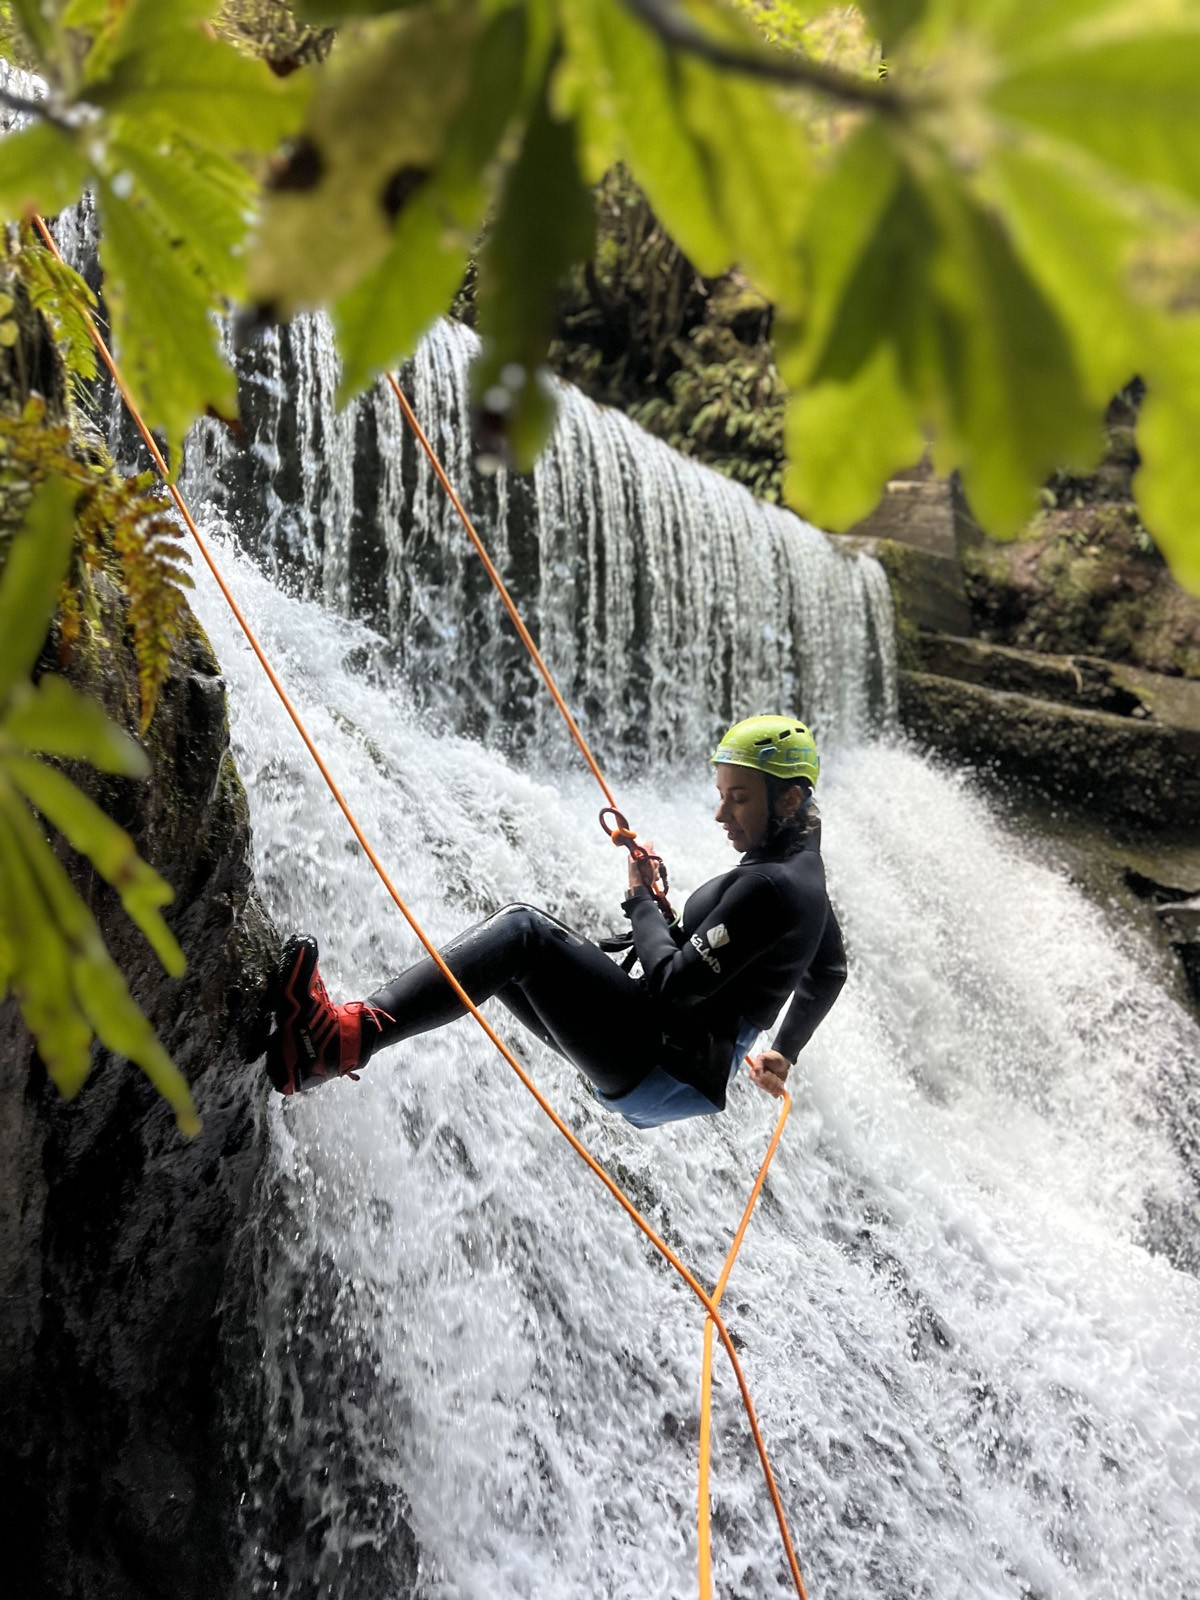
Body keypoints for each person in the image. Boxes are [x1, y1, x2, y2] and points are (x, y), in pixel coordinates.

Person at [265, 715, 848, 1128]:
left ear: (790, 800)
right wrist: (785, 1050)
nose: (720, 813)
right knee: (509, 958)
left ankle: (339, 1041)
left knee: (521, 935)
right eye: (721, 794)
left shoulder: (769, 887)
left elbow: (671, 991)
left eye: (738, 798)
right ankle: (330, 1050)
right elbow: (829, 970)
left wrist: (641, 900)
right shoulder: (804, 876)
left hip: (661, 1055)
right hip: (672, 1070)